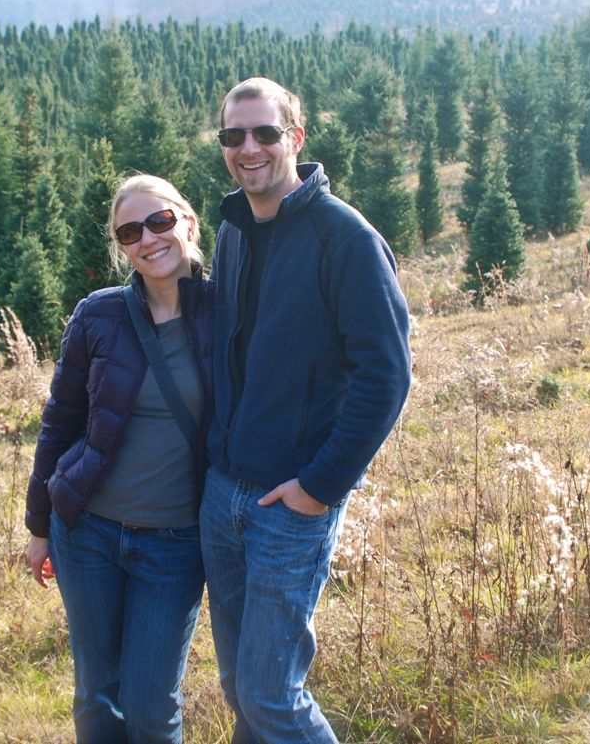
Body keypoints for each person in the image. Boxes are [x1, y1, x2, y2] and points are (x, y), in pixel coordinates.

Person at [201, 77, 412, 743]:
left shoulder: (344, 238)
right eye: (234, 136)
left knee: (271, 694)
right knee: (241, 688)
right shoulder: (234, 229)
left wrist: (321, 486)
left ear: (295, 137)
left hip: (290, 502)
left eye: (266, 132)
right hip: (225, 493)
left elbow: (387, 374)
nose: (249, 147)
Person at [24, 174, 214, 744]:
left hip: (176, 543)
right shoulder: (98, 315)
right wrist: (39, 528)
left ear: (188, 223)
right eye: (130, 231)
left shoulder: (230, 311)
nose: (148, 239)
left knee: (152, 706)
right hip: (87, 533)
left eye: (159, 221)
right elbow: (59, 422)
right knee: (97, 695)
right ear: (120, 246)